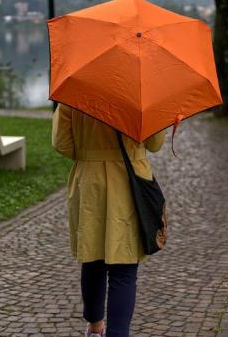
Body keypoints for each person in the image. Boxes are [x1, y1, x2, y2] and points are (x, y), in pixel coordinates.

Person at [52, 103, 166, 337]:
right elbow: (155, 144)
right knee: (124, 267)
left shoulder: (75, 91)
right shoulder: (142, 95)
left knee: (92, 258)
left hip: (89, 181)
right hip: (129, 182)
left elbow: (61, 143)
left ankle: (95, 329)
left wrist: (89, 153)